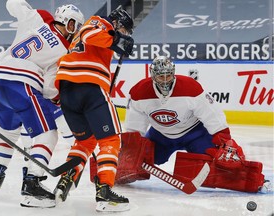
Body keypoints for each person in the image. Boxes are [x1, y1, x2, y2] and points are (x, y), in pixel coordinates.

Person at [95, 55, 271, 194]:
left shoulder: (190, 88)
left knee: (220, 159)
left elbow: (212, 114)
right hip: (160, 135)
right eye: (160, 76)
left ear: (174, 73)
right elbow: (135, 129)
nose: (165, 80)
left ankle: (251, 179)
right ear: (152, 76)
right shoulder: (139, 93)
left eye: (168, 75)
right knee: (139, 159)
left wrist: (224, 139)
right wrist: (132, 152)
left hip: (195, 133)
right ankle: (108, 173)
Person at [0, 0, 84, 208]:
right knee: (47, 133)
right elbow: (49, 89)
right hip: (22, 85)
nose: (75, 32)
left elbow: (13, 4)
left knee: (8, 131)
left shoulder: (37, 17)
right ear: (70, 24)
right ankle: (32, 184)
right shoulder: (64, 52)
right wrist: (58, 98)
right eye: (76, 26)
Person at [54, 5, 134, 212]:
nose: (123, 35)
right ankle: (105, 191)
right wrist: (116, 40)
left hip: (67, 91)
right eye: (123, 30)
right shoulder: (100, 23)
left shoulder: (88, 35)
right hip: (88, 86)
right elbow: (91, 35)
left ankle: (66, 180)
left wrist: (114, 43)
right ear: (116, 22)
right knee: (111, 139)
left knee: (85, 141)